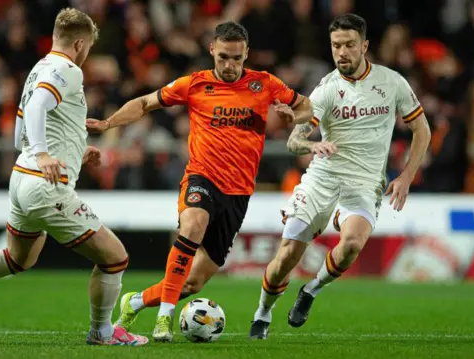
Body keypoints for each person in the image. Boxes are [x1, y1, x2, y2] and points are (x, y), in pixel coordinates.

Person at [0, 8, 148, 347]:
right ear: (80, 43)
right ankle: (103, 332)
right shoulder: (68, 69)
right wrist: (43, 154)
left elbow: (22, 129)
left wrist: (71, 152)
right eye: (89, 48)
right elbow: (37, 108)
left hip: (22, 180)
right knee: (115, 258)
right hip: (44, 185)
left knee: (17, 257)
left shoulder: (38, 68)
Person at [86, 21, 313, 342]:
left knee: (193, 284)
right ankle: (164, 319)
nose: (230, 65)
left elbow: (305, 105)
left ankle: (134, 301)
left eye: (236, 58)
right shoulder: (194, 84)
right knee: (192, 226)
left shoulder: (265, 84)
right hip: (201, 177)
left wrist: (295, 118)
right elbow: (144, 103)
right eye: (223, 57)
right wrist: (109, 123)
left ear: (246, 53)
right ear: (212, 51)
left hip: (238, 194)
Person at [247, 14, 431, 339]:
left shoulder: (392, 83)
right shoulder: (327, 90)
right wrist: (311, 143)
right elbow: (293, 141)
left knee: (351, 245)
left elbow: (422, 130)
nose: (342, 52)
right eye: (336, 46)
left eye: (348, 45)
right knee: (286, 257)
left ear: (365, 46)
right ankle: (263, 312)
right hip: (322, 180)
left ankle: (311, 291)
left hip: (363, 184)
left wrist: (405, 177)